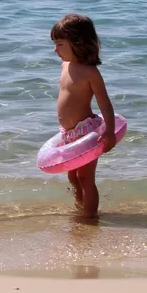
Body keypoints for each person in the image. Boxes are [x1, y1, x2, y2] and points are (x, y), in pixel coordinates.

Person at [50, 13, 116, 219]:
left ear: (77, 43)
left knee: (85, 177)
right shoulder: (65, 66)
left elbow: (104, 102)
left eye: (60, 44)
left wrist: (110, 132)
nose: (55, 50)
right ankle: (80, 208)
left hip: (85, 131)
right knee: (72, 176)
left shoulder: (90, 72)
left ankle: (89, 217)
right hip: (68, 133)